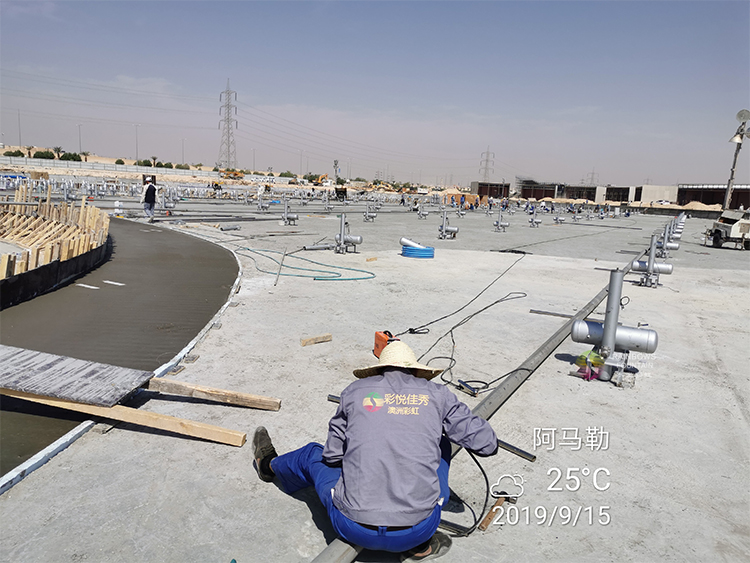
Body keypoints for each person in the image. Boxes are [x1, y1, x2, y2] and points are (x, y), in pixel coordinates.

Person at [252, 341, 498, 561]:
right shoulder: (438, 395)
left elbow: (332, 455)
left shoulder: (356, 392)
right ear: (416, 371)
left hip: (353, 527)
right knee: (443, 443)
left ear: (379, 370)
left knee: (311, 454)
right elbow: (487, 445)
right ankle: (421, 548)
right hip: (419, 529)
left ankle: (268, 466)